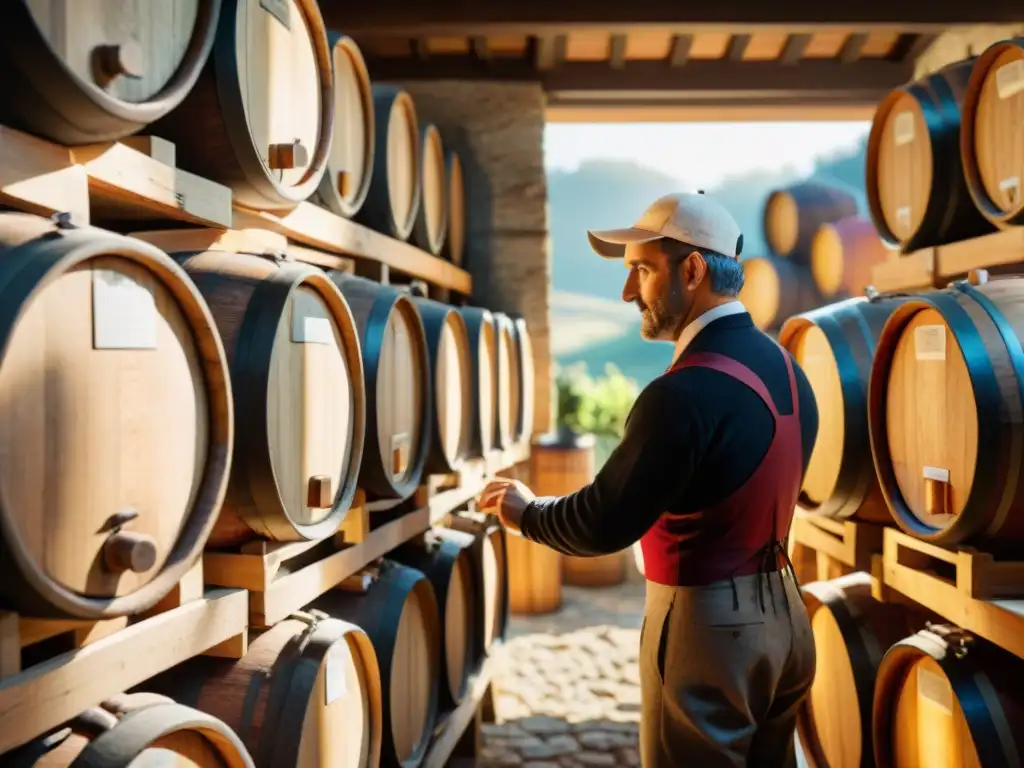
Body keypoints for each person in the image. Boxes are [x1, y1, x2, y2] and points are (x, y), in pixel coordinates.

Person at [476, 192, 819, 768]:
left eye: (641, 270)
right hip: (786, 619)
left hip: (707, 628)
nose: (627, 292)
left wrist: (525, 511)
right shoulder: (789, 367)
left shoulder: (681, 394)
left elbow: (604, 520)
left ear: (692, 269)